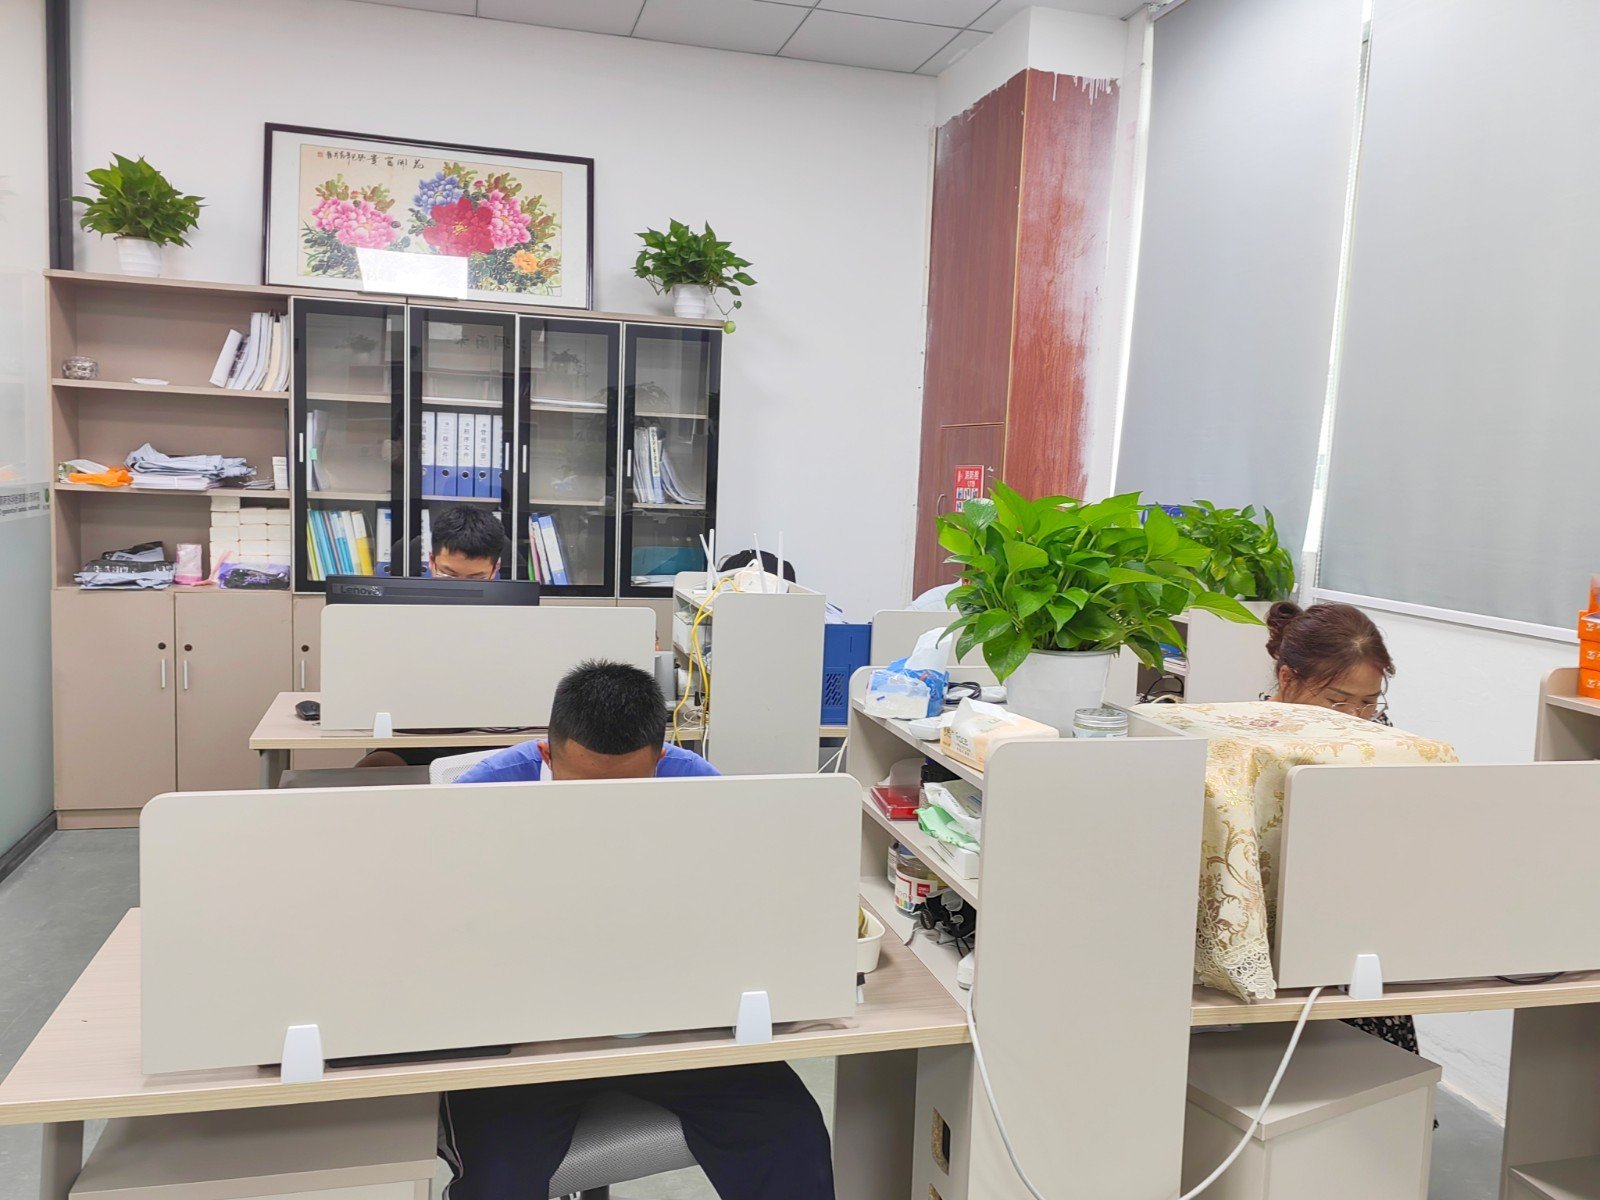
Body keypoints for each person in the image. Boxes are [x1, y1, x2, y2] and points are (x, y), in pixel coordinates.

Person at [441, 660, 834, 1200]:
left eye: (629, 789)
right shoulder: (481, 794)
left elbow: (746, 903)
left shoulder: (699, 786)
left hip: (670, 1026)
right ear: (548, 754)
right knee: (498, 1178)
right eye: (585, 790)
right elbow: (442, 926)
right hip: (529, 1040)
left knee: (791, 1138)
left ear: (659, 757)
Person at [1265, 601, 1419, 1056]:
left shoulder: (1381, 737)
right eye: (1338, 700)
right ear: (1287, 680)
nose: (1354, 716)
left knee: (1377, 1064)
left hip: (1361, 923)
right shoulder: (1249, 738)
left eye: (1368, 702)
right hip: (1278, 926)